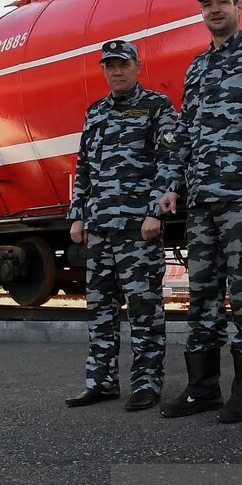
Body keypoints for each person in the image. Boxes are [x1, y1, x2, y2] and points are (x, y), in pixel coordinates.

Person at [158, 0, 242, 422]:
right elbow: (184, 133)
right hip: (203, 202)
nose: (214, 9)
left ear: (239, 6)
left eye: (223, 2)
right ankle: (201, 389)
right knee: (201, 295)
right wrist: (172, 183)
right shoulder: (196, 68)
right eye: (207, 3)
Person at [65, 40, 177, 411]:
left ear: (137, 66)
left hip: (136, 228)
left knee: (144, 310)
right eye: (109, 65)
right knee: (100, 311)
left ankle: (146, 384)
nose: (116, 71)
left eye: (122, 64)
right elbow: (84, 167)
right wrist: (78, 214)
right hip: (99, 226)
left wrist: (154, 213)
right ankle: (101, 382)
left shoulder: (157, 107)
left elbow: (169, 160)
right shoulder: (94, 113)